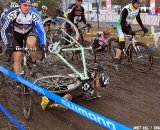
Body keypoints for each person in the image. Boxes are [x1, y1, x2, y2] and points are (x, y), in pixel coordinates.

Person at [1, 0, 47, 93]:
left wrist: (43, 44)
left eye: (29, 5)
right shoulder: (13, 13)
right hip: (17, 34)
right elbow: (4, 30)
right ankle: (18, 81)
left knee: (31, 44)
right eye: (25, 5)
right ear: (20, 5)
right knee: (17, 57)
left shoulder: (35, 14)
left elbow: (42, 31)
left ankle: (34, 62)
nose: (27, 7)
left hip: (30, 32)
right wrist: (7, 45)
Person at [113, 0, 148, 70]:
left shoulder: (137, 9)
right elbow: (122, 22)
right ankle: (115, 62)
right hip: (121, 25)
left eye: (139, 3)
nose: (139, 5)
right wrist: (129, 31)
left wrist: (143, 27)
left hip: (127, 25)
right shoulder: (126, 9)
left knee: (131, 39)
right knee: (122, 44)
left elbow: (138, 19)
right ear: (133, 3)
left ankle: (128, 53)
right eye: (138, 3)